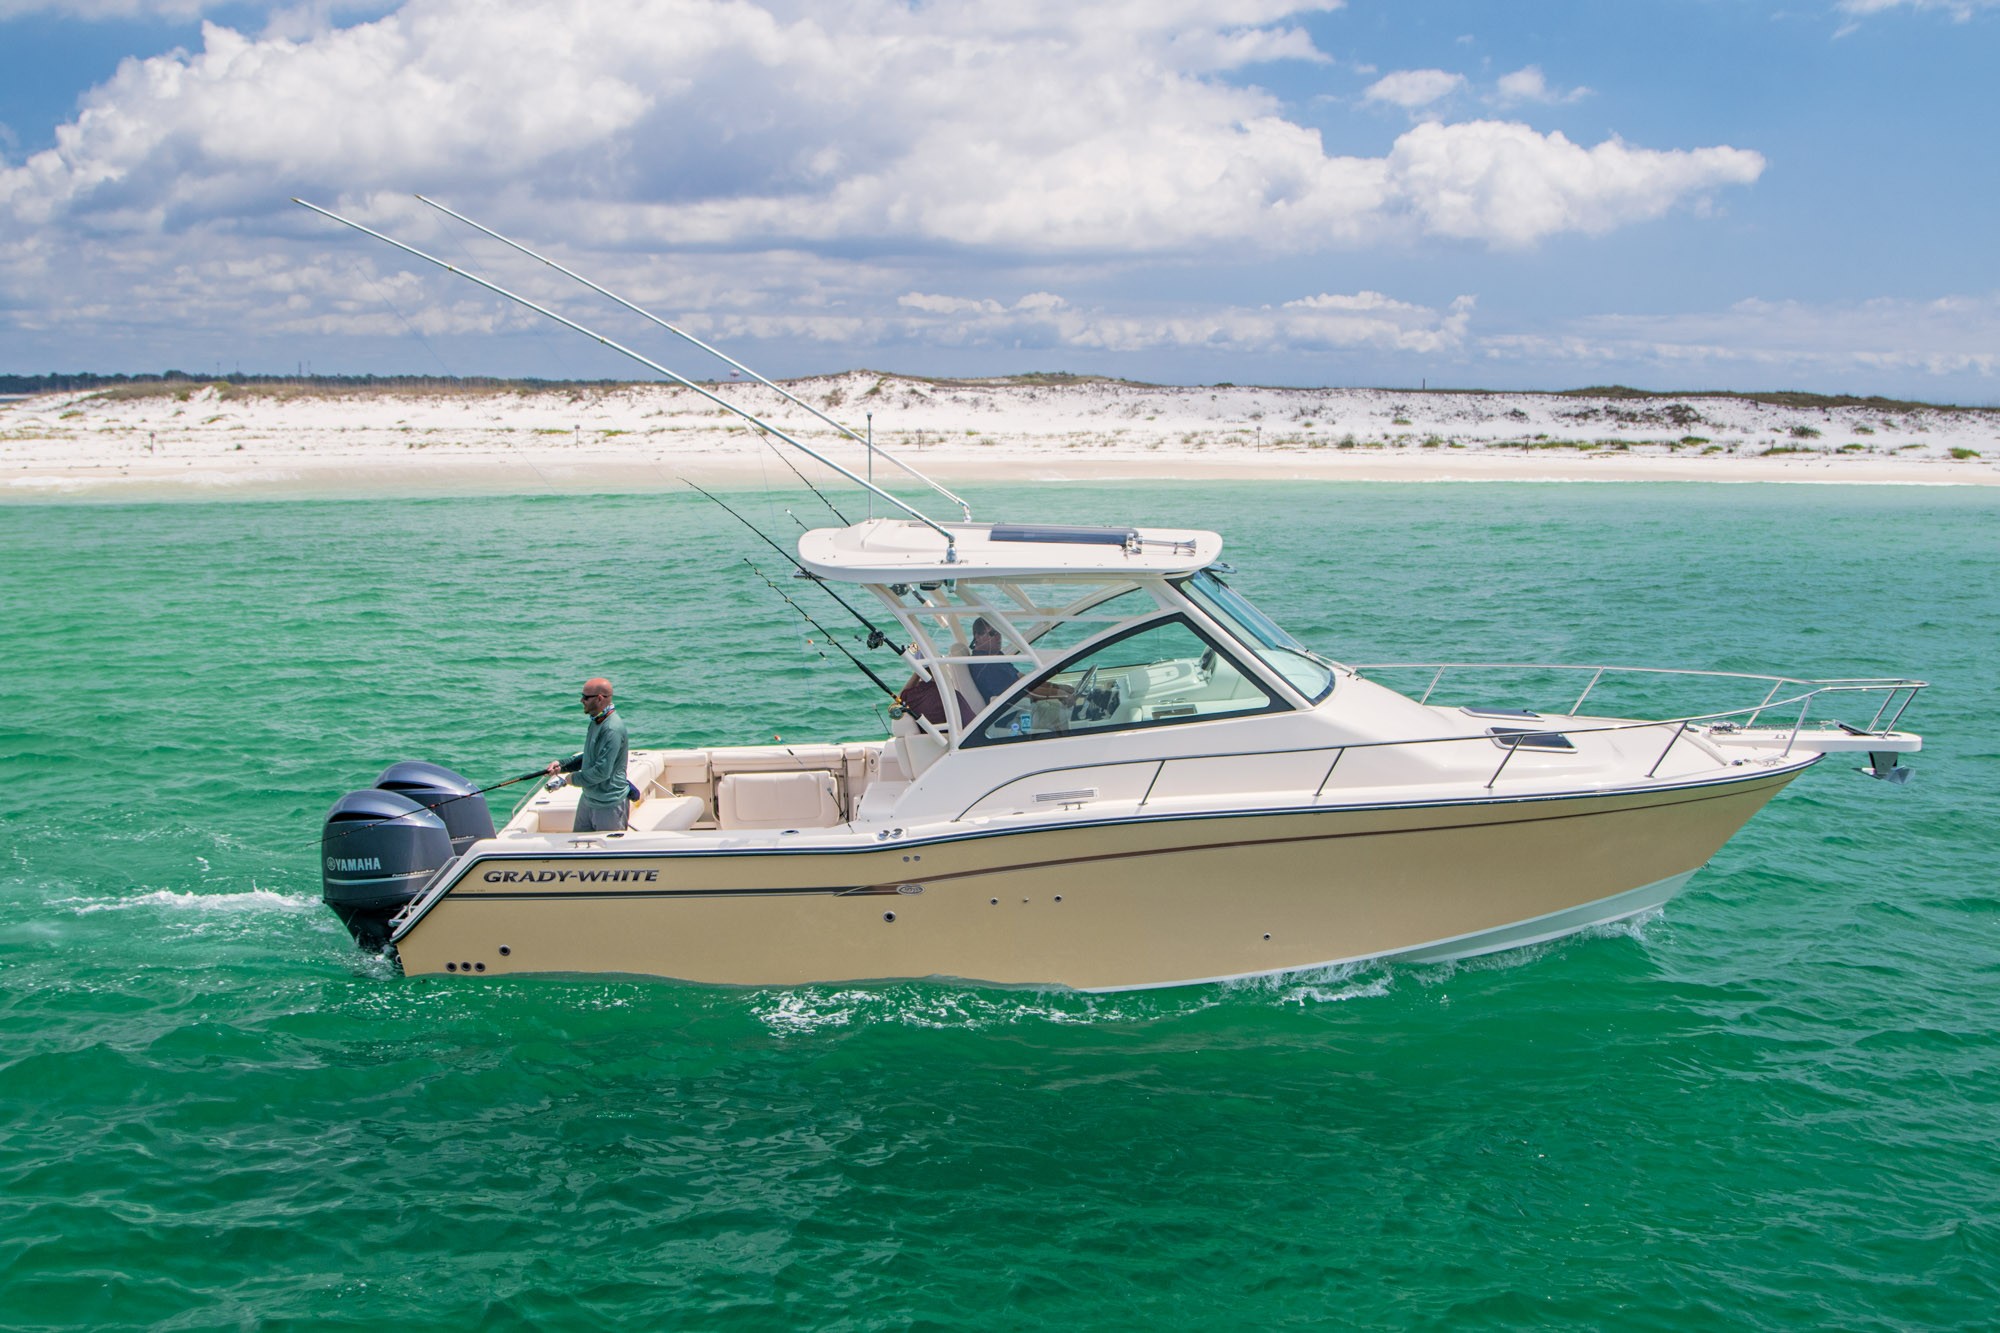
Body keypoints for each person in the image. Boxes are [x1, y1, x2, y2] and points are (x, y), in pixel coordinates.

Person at [547, 676, 630, 832]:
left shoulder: (612, 729)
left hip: (608, 804)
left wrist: (570, 779)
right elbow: (590, 756)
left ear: (599, 699)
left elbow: (601, 772)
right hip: (588, 799)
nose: (581, 700)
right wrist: (562, 765)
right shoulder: (596, 721)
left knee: (607, 854)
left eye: (585, 697)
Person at [967, 617, 1023, 703]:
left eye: (999, 632)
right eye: (993, 633)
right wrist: (1049, 693)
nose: (999, 637)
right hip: (1015, 709)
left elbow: (1019, 677)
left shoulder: (996, 655)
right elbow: (1020, 693)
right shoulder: (986, 666)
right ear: (977, 636)